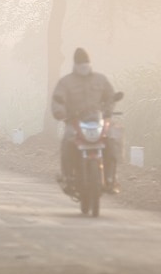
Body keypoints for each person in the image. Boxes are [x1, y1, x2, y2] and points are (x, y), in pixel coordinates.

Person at [50, 47, 119, 194]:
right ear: (75, 65)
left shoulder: (101, 79)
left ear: (90, 64)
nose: (84, 67)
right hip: (74, 122)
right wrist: (59, 112)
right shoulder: (65, 82)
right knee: (67, 140)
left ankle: (111, 178)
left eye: (86, 64)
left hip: (97, 120)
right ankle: (68, 177)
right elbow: (57, 100)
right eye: (81, 65)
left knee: (112, 139)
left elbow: (110, 96)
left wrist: (108, 109)